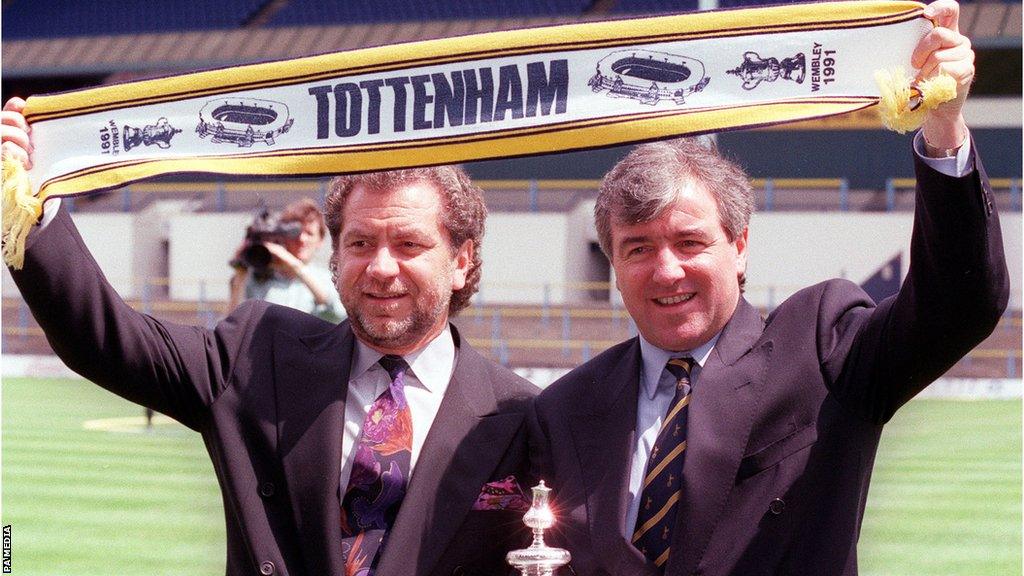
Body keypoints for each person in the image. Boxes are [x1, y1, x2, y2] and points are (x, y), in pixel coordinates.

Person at [528, 2, 1008, 575]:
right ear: (611, 262)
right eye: (638, 248)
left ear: (739, 247)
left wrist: (943, 121)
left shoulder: (823, 351)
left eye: (690, 243)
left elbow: (959, 303)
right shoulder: (565, 409)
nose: (667, 270)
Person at [1, 97, 538, 575]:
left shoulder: (524, 417)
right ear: (334, 256)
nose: (380, 267)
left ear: (462, 261)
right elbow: (108, 340)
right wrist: (32, 204)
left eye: (408, 244)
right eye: (359, 243)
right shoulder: (258, 355)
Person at [228, 198, 347, 323]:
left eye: (309, 233)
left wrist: (296, 267)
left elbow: (336, 316)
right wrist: (240, 273)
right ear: (283, 236)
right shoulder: (256, 278)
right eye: (295, 233)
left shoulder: (328, 279)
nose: (302, 239)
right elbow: (232, 327)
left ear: (320, 241)